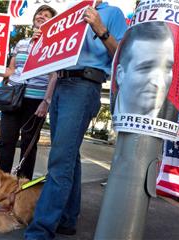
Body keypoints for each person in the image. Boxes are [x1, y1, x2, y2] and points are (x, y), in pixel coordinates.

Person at [24, 1, 127, 239]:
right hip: (60, 83)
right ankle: (68, 219)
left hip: (84, 86)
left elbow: (122, 56)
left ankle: (39, 231)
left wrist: (101, 29)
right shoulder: (68, 16)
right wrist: (42, 40)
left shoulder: (112, 13)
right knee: (70, 155)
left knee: (60, 159)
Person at [0, 5, 58, 180]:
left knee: (28, 145)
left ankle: (21, 188)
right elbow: (10, 71)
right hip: (13, 98)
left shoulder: (53, 45)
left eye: (46, 16)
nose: (41, 16)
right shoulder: (21, 44)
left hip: (35, 101)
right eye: (39, 14)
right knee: (6, 143)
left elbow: (55, 75)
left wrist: (47, 101)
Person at [113, 21, 175, 118]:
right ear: (120, 75)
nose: (159, 83)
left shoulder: (177, 115)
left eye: (167, 68)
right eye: (146, 68)